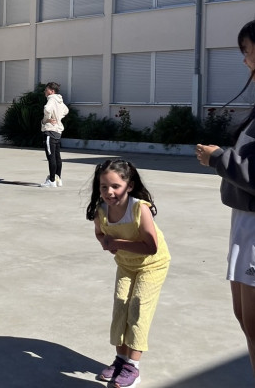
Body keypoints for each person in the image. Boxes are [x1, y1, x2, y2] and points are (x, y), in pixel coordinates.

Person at [196, 17, 255, 382]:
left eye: (248, 51)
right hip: (245, 222)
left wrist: (219, 158)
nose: (245, 60)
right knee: (247, 322)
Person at [85, 159, 170, 388]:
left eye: (115, 186)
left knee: (138, 308)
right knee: (121, 306)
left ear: (129, 186)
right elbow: (100, 234)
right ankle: (121, 360)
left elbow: (151, 247)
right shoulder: (101, 211)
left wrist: (117, 243)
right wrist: (106, 243)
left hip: (152, 265)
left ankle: (133, 366)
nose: (109, 192)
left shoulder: (139, 209)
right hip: (126, 264)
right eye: (104, 187)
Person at [40, 82, 69, 188]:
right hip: (57, 131)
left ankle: (52, 180)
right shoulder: (59, 100)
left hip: (50, 131)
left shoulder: (51, 99)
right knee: (57, 156)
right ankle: (58, 179)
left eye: (46, 89)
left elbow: (47, 109)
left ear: (51, 91)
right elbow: (66, 110)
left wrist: (47, 119)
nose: (44, 91)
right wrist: (59, 118)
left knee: (51, 156)